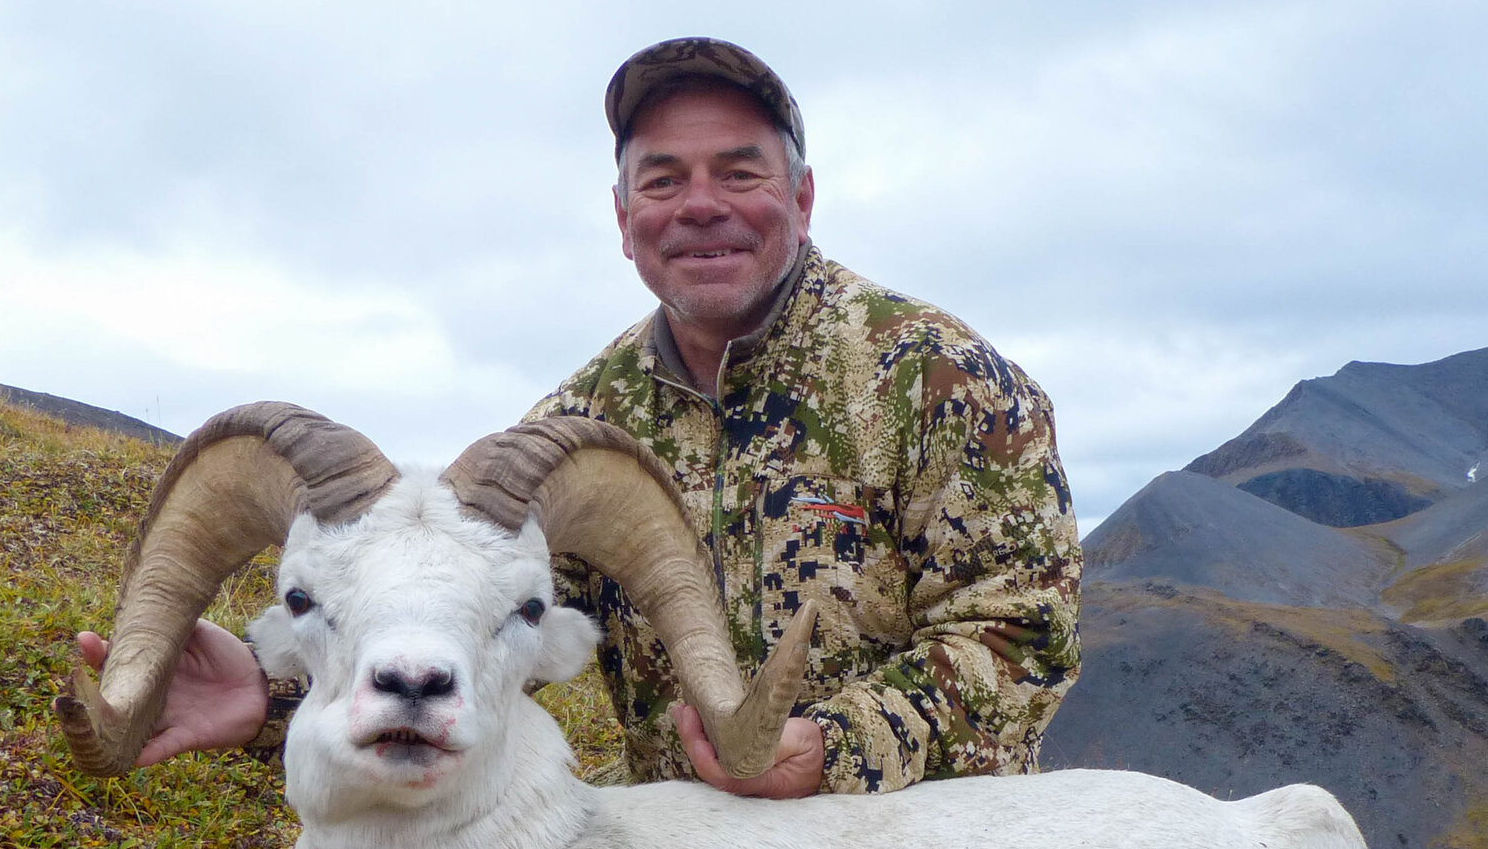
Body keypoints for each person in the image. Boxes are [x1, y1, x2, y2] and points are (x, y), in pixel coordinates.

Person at [80, 38, 1081, 794]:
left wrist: (835, 749)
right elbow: (490, 622)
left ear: (802, 197)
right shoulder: (579, 429)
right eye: (663, 179)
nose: (700, 204)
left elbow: (1022, 636)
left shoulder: (937, 379)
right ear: (622, 218)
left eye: (739, 172)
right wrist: (278, 686)